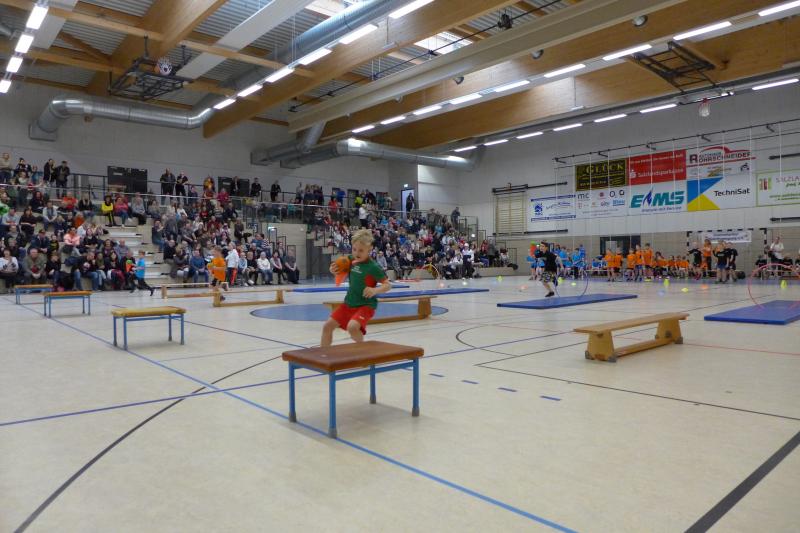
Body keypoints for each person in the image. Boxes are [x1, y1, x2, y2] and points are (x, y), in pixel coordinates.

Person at [320, 229, 391, 347]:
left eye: (361, 250)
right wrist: (332, 269)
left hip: (365, 305)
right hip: (349, 303)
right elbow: (337, 269)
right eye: (354, 249)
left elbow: (388, 285)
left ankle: (363, 350)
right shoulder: (350, 260)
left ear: (369, 249)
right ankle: (323, 355)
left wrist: (374, 290)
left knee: (352, 327)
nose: (357, 253)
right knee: (327, 327)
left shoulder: (373, 267)